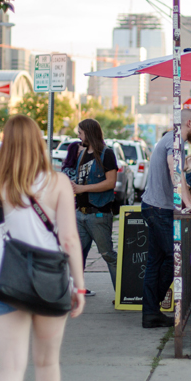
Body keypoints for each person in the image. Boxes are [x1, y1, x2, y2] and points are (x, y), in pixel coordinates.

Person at [0, 114, 85, 381]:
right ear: (40, 143)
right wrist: (79, 287)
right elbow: (69, 238)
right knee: (47, 363)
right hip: (50, 282)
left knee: (9, 368)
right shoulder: (58, 184)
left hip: (4, 283)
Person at [141, 109, 191, 328]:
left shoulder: (171, 140)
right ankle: (151, 307)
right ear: (188, 123)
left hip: (155, 207)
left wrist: (188, 199)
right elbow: (173, 170)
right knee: (175, 258)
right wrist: (187, 201)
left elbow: (180, 175)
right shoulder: (175, 141)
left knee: (155, 262)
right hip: (158, 208)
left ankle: (150, 312)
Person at [70, 119, 119, 294]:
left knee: (108, 255)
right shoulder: (82, 153)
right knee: (76, 255)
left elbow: (111, 183)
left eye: (81, 132)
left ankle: (122, 294)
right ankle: (77, 290)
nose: (78, 135)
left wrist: (83, 188)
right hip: (80, 214)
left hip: (98, 214)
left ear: (89, 133)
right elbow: (81, 180)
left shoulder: (107, 153)